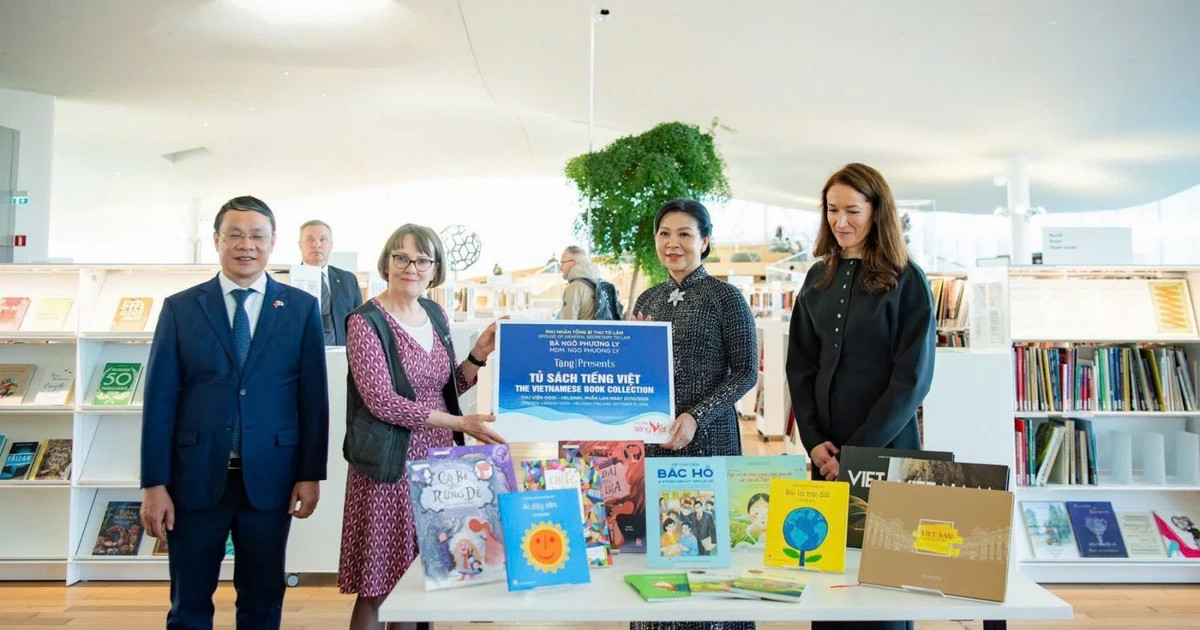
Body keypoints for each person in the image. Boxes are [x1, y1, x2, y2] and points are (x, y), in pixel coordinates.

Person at [140, 195, 329, 630]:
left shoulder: (299, 309)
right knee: (189, 601)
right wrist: (155, 483)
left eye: (257, 235)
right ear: (217, 240)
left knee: (262, 598)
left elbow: (313, 400)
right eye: (235, 235)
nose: (247, 245)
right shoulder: (181, 308)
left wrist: (309, 474)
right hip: (194, 477)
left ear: (273, 242)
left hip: (272, 479)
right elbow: (160, 401)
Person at [785, 163, 936, 630]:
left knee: (884, 592)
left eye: (853, 210)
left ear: (878, 212)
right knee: (829, 584)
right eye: (832, 210)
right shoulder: (816, 278)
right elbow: (800, 366)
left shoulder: (907, 279)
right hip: (825, 452)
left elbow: (912, 380)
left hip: (887, 451)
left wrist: (857, 453)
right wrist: (814, 442)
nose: (841, 221)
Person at [337, 223, 504, 630]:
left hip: (437, 466)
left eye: (422, 259)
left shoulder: (434, 314)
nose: (411, 267)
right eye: (401, 257)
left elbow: (446, 387)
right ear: (387, 263)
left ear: (435, 268)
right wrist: (460, 422)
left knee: (424, 584)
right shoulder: (365, 322)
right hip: (389, 468)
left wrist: (478, 355)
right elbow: (383, 402)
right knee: (378, 587)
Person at [631, 198, 757, 630]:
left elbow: (745, 373)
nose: (673, 243)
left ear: (705, 241)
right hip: (656, 448)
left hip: (710, 443)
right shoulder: (647, 300)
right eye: (664, 234)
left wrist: (697, 415)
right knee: (660, 557)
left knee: (706, 552)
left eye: (685, 234)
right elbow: (633, 371)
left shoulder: (726, 298)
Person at [299, 219, 364, 346]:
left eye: (322, 239)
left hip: (341, 356)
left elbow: (359, 323)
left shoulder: (349, 280)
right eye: (310, 239)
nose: (317, 244)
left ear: (331, 245)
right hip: (300, 356)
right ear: (300, 244)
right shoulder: (288, 282)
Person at [558, 245, 604, 320]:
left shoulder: (575, 287)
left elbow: (567, 326)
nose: (560, 268)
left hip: (580, 332)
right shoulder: (598, 283)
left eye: (562, 262)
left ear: (573, 263)